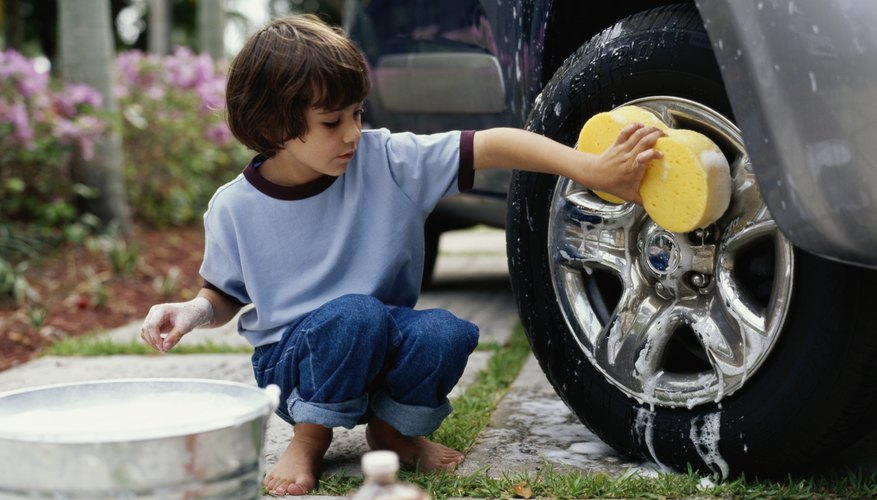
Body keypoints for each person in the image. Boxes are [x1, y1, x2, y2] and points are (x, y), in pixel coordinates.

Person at [140, 14, 663, 497]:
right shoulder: (235, 208)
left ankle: (393, 433)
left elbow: (493, 145)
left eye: (357, 114)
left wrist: (588, 168)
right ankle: (309, 438)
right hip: (294, 360)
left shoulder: (386, 160)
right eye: (331, 122)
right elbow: (225, 294)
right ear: (275, 126)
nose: (352, 133)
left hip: (379, 335)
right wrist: (191, 311)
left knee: (444, 331)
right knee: (355, 314)